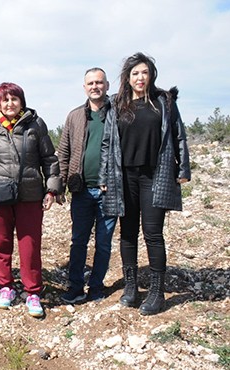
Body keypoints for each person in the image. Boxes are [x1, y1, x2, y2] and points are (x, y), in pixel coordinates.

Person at [99, 52, 190, 315]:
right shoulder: (117, 104)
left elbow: (179, 136)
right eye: (135, 73)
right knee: (127, 234)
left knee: (153, 233)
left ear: (151, 75)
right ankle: (130, 288)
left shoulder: (164, 102)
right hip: (123, 177)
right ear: (128, 78)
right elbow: (107, 143)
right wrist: (104, 177)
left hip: (155, 174)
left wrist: (182, 169)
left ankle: (157, 293)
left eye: (145, 72)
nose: (140, 77)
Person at [0, 82, 61, 318]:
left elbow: (49, 158)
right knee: (1, 244)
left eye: (14, 99)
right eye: (4, 100)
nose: (10, 104)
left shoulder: (35, 124)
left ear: (22, 102)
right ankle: (5, 287)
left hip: (30, 194)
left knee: (30, 245)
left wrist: (51, 189)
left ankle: (33, 291)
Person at [58, 68, 118, 304]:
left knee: (103, 242)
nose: (95, 86)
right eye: (90, 83)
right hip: (81, 190)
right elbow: (63, 152)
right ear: (84, 87)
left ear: (107, 86)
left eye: (99, 82)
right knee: (78, 241)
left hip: (109, 190)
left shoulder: (117, 115)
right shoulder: (75, 116)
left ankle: (96, 287)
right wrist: (60, 185)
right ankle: (75, 287)